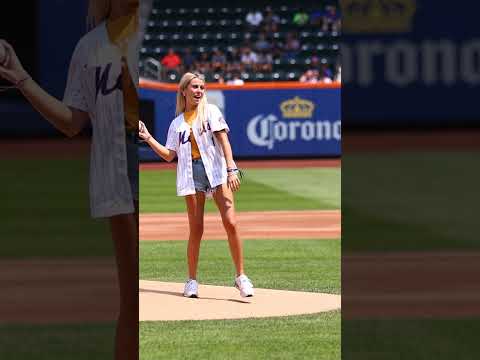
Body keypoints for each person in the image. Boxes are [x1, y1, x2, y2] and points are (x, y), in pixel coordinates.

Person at [0, 1, 139, 359]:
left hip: (160, 166)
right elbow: (72, 122)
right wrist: (21, 77)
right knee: (134, 305)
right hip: (118, 177)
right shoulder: (91, 45)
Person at [138, 72, 254, 299]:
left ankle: (241, 277)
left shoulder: (210, 112)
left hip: (217, 172)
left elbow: (224, 141)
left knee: (231, 223)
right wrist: (148, 137)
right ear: (184, 91)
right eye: (194, 87)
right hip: (192, 175)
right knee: (196, 229)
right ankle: (191, 281)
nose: (199, 91)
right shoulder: (176, 123)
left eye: (202, 87)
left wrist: (231, 168)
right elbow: (169, 155)